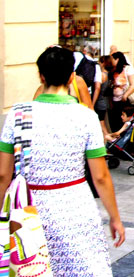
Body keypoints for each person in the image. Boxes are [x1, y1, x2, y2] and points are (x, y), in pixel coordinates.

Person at [0, 46, 125, 276]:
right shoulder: (86, 117)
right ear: (71, 77)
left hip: (28, 209)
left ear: (41, 76)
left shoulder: (17, 115)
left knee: (30, 268)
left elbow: (2, 176)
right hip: (74, 206)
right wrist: (114, 217)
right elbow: (100, 176)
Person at [108, 51, 134, 132]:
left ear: (117, 59)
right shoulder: (113, 70)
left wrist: (125, 95)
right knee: (114, 122)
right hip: (114, 100)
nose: (111, 61)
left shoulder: (128, 69)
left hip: (124, 101)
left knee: (122, 122)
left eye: (112, 59)